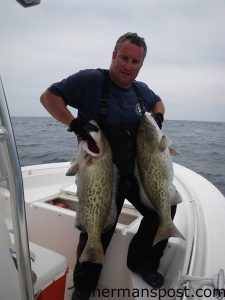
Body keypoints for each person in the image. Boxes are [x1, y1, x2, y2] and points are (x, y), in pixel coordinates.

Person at [40, 32, 176, 300]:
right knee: (97, 227)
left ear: (141, 64)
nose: (128, 66)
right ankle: (83, 287)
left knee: (165, 207)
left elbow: (158, 102)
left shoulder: (140, 91)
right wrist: (73, 123)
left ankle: (141, 261)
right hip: (100, 173)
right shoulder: (91, 80)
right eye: (124, 58)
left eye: (136, 62)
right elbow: (48, 97)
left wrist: (158, 116)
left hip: (134, 173)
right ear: (113, 56)